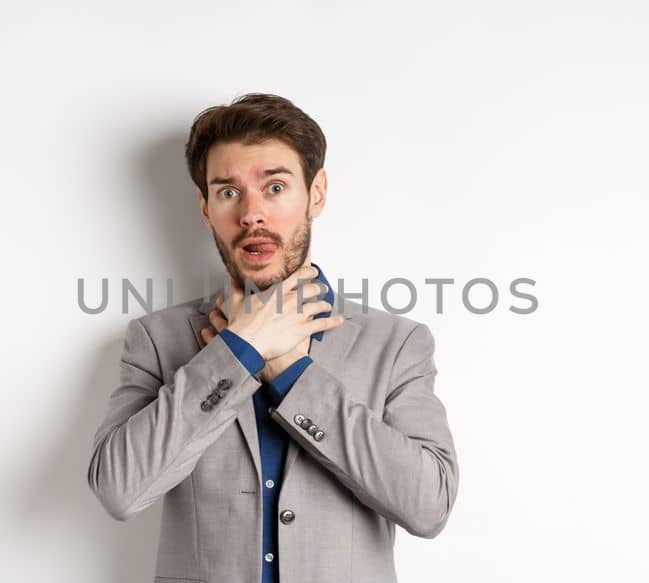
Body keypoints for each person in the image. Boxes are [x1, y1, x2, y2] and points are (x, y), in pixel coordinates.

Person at [86, 93, 458, 583]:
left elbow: (428, 507)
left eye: (275, 187)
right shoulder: (156, 340)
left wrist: (288, 371)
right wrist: (237, 353)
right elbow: (119, 489)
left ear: (316, 193)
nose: (251, 214)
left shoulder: (396, 345)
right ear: (205, 207)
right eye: (228, 192)